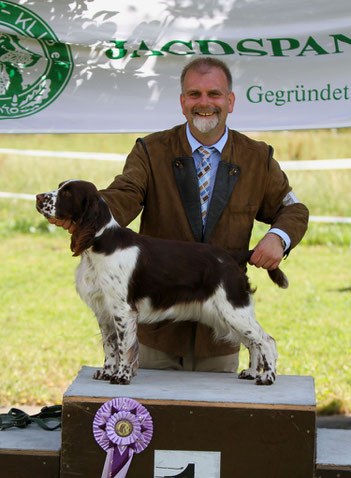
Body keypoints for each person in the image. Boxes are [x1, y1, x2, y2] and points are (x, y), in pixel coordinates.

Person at [50, 57, 309, 373]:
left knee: (219, 418)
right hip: (158, 337)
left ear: (230, 101)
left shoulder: (257, 158)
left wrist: (278, 237)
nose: (204, 103)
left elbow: (293, 210)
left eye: (214, 94)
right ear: (183, 102)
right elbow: (125, 193)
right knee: (142, 420)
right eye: (195, 94)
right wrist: (85, 213)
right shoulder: (151, 150)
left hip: (219, 341)